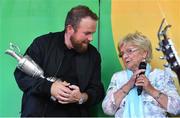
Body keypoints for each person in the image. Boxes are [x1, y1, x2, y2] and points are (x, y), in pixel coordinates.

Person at [14, 5, 105, 117]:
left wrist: (82, 97)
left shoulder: (93, 55)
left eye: (93, 33)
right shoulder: (42, 44)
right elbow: (21, 76)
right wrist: (50, 88)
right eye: (87, 33)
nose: (91, 38)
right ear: (70, 29)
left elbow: (98, 90)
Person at [102, 31, 180, 118]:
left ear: (144, 53)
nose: (124, 56)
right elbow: (107, 109)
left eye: (129, 51)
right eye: (122, 54)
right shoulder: (118, 77)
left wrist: (151, 89)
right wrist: (128, 85)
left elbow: (177, 109)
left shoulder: (161, 76)